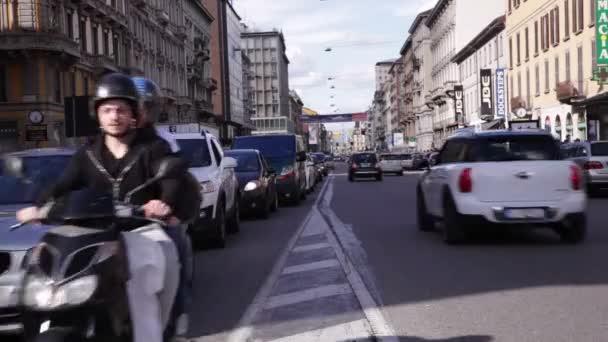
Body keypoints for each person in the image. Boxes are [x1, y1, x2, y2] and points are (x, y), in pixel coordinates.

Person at [16, 72, 182, 342]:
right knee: (42, 265)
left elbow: (171, 179)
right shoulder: (87, 154)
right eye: (107, 109)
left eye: (121, 109)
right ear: (98, 114)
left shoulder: (154, 147)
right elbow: (62, 185)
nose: (114, 116)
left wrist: (162, 202)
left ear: (133, 115)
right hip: (93, 235)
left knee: (146, 274)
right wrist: (38, 207)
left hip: (141, 231)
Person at [131, 76, 197, 340]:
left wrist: (167, 207)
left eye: (146, 106)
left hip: (154, 223)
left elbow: (176, 183)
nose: (141, 112)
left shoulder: (166, 141)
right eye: (136, 105)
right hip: (116, 222)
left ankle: (177, 319)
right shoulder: (104, 142)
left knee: (175, 246)